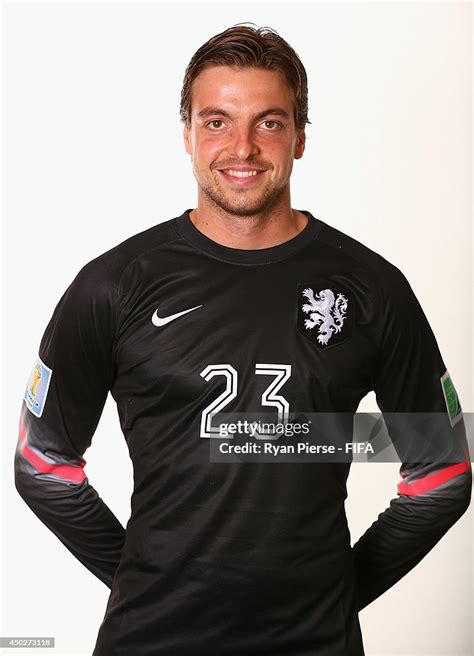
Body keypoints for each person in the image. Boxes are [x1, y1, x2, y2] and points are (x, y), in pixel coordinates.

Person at [14, 23, 471, 655]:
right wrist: (141, 582)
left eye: (270, 123)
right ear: (188, 135)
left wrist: (338, 591)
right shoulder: (113, 286)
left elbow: (443, 472)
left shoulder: (372, 289)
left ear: (301, 137)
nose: (243, 147)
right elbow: (42, 465)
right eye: (218, 121)